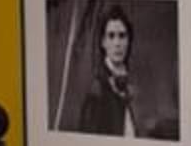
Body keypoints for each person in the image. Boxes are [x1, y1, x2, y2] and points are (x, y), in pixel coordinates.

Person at [70, 8, 167, 139]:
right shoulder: (96, 89)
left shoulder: (134, 83)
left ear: (129, 41)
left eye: (122, 36)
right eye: (111, 36)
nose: (117, 43)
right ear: (103, 42)